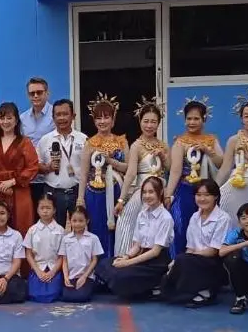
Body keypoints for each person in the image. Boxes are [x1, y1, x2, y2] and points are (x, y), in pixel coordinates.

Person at [166, 98, 223, 258]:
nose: (192, 122)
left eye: (196, 118)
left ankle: (202, 264)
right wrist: (168, 194)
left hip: (207, 193)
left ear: (204, 119)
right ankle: (178, 263)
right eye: (189, 118)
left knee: (206, 230)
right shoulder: (180, 142)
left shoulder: (212, 140)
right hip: (184, 191)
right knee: (180, 227)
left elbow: (221, 163)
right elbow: (175, 170)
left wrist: (207, 150)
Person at [99, 176, 172, 300]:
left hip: (156, 262)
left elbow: (155, 251)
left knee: (119, 276)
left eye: (151, 192)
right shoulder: (142, 214)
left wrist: (127, 263)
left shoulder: (165, 218)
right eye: (144, 192)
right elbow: (137, 245)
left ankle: (155, 285)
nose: (147, 196)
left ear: (160, 192)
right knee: (104, 264)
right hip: (140, 255)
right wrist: (126, 257)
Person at [162, 178, 231, 308]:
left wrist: (185, 258)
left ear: (215, 196)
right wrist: (178, 262)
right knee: (167, 288)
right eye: (198, 195)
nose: (202, 199)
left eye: (207, 195)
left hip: (212, 261)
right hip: (193, 259)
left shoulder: (223, 218)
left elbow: (213, 250)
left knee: (182, 260)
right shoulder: (194, 217)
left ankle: (208, 290)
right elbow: (190, 247)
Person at [77, 94, 128, 262]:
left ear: (113, 119)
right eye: (98, 118)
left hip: (117, 192)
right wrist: (80, 199)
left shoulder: (122, 141)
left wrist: (110, 161)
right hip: (94, 194)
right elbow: (84, 173)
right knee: (96, 228)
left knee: (118, 230)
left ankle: (115, 265)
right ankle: (96, 268)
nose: (102, 121)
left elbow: (128, 168)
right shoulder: (89, 143)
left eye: (106, 117)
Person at [115, 98, 167, 258]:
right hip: (142, 191)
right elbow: (131, 173)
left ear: (158, 123)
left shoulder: (163, 145)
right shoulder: (136, 146)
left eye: (153, 122)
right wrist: (121, 200)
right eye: (146, 121)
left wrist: (163, 156)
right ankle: (126, 257)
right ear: (140, 121)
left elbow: (171, 168)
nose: (149, 125)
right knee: (127, 221)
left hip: (161, 191)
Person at [0, 102, 40, 240]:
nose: (5, 122)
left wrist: (13, 182)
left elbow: (33, 166)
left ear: (16, 120)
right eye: (2, 118)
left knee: (22, 228)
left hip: (20, 192)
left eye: (9, 118)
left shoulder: (25, 142)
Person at [217, 93, 248, 228]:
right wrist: (213, 189)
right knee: (234, 223)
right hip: (237, 186)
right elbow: (225, 168)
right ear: (241, 119)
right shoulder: (234, 140)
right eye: (246, 116)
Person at [37, 99, 87, 226]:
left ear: (73, 116)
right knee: (53, 230)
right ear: (53, 117)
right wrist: (47, 168)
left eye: (65, 114)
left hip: (77, 192)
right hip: (53, 193)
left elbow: (90, 167)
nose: (62, 118)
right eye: (58, 115)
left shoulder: (83, 139)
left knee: (79, 229)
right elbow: (36, 166)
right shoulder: (45, 140)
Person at [20, 77, 55, 209]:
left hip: (51, 177)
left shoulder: (56, 115)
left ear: (47, 93)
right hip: (30, 179)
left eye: (39, 92)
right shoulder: (22, 118)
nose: (35, 96)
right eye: (32, 93)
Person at [24, 195, 64, 303]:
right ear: (37, 210)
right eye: (42, 208)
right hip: (38, 268)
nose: (45, 211)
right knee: (35, 295)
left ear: (54, 210)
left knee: (53, 294)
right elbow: (28, 254)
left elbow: (62, 256)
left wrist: (52, 272)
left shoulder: (60, 230)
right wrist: (38, 271)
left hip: (54, 268)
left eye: (48, 208)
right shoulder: (32, 230)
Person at [59, 205, 103, 302]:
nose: (77, 224)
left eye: (81, 221)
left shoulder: (93, 238)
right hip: (71, 276)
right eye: (74, 221)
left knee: (81, 297)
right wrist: (66, 277)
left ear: (87, 221)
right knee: (66, 296)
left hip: (87, 276)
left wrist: (84, 276)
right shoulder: (66, 239)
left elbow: (94, 260)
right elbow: (64, 261)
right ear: (70, 221)